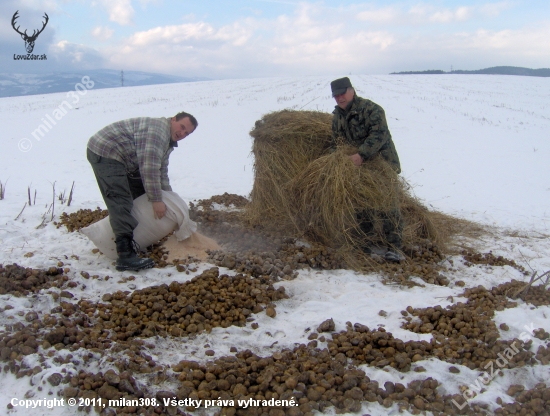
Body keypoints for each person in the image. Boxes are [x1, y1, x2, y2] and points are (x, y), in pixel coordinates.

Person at [87, 112, 198, 271]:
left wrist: (168, 197)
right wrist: (157, 200)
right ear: (173, 119)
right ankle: (125, 254)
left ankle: (135, 239)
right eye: (182, 127)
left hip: (127, 159)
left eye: (187, 133)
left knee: (141, 194)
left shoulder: (168, 141)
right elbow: (149, 168)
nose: (182, 133)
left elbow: (161, 172)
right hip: (106, 151)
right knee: (121, 200)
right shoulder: (159, 132)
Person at [330, 77, 404, 262]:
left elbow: (379, 135)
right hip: (359, 167)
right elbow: (337, 142)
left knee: (387, 204)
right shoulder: (338, 116)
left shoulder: (371, 110)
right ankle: (365, 244)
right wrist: (333, 159)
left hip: (382, 163)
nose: (340, 98)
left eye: (342, 93)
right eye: (336, 95)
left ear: (352, 90)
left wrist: (361, 155)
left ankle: (394, 248)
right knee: (361, 204)